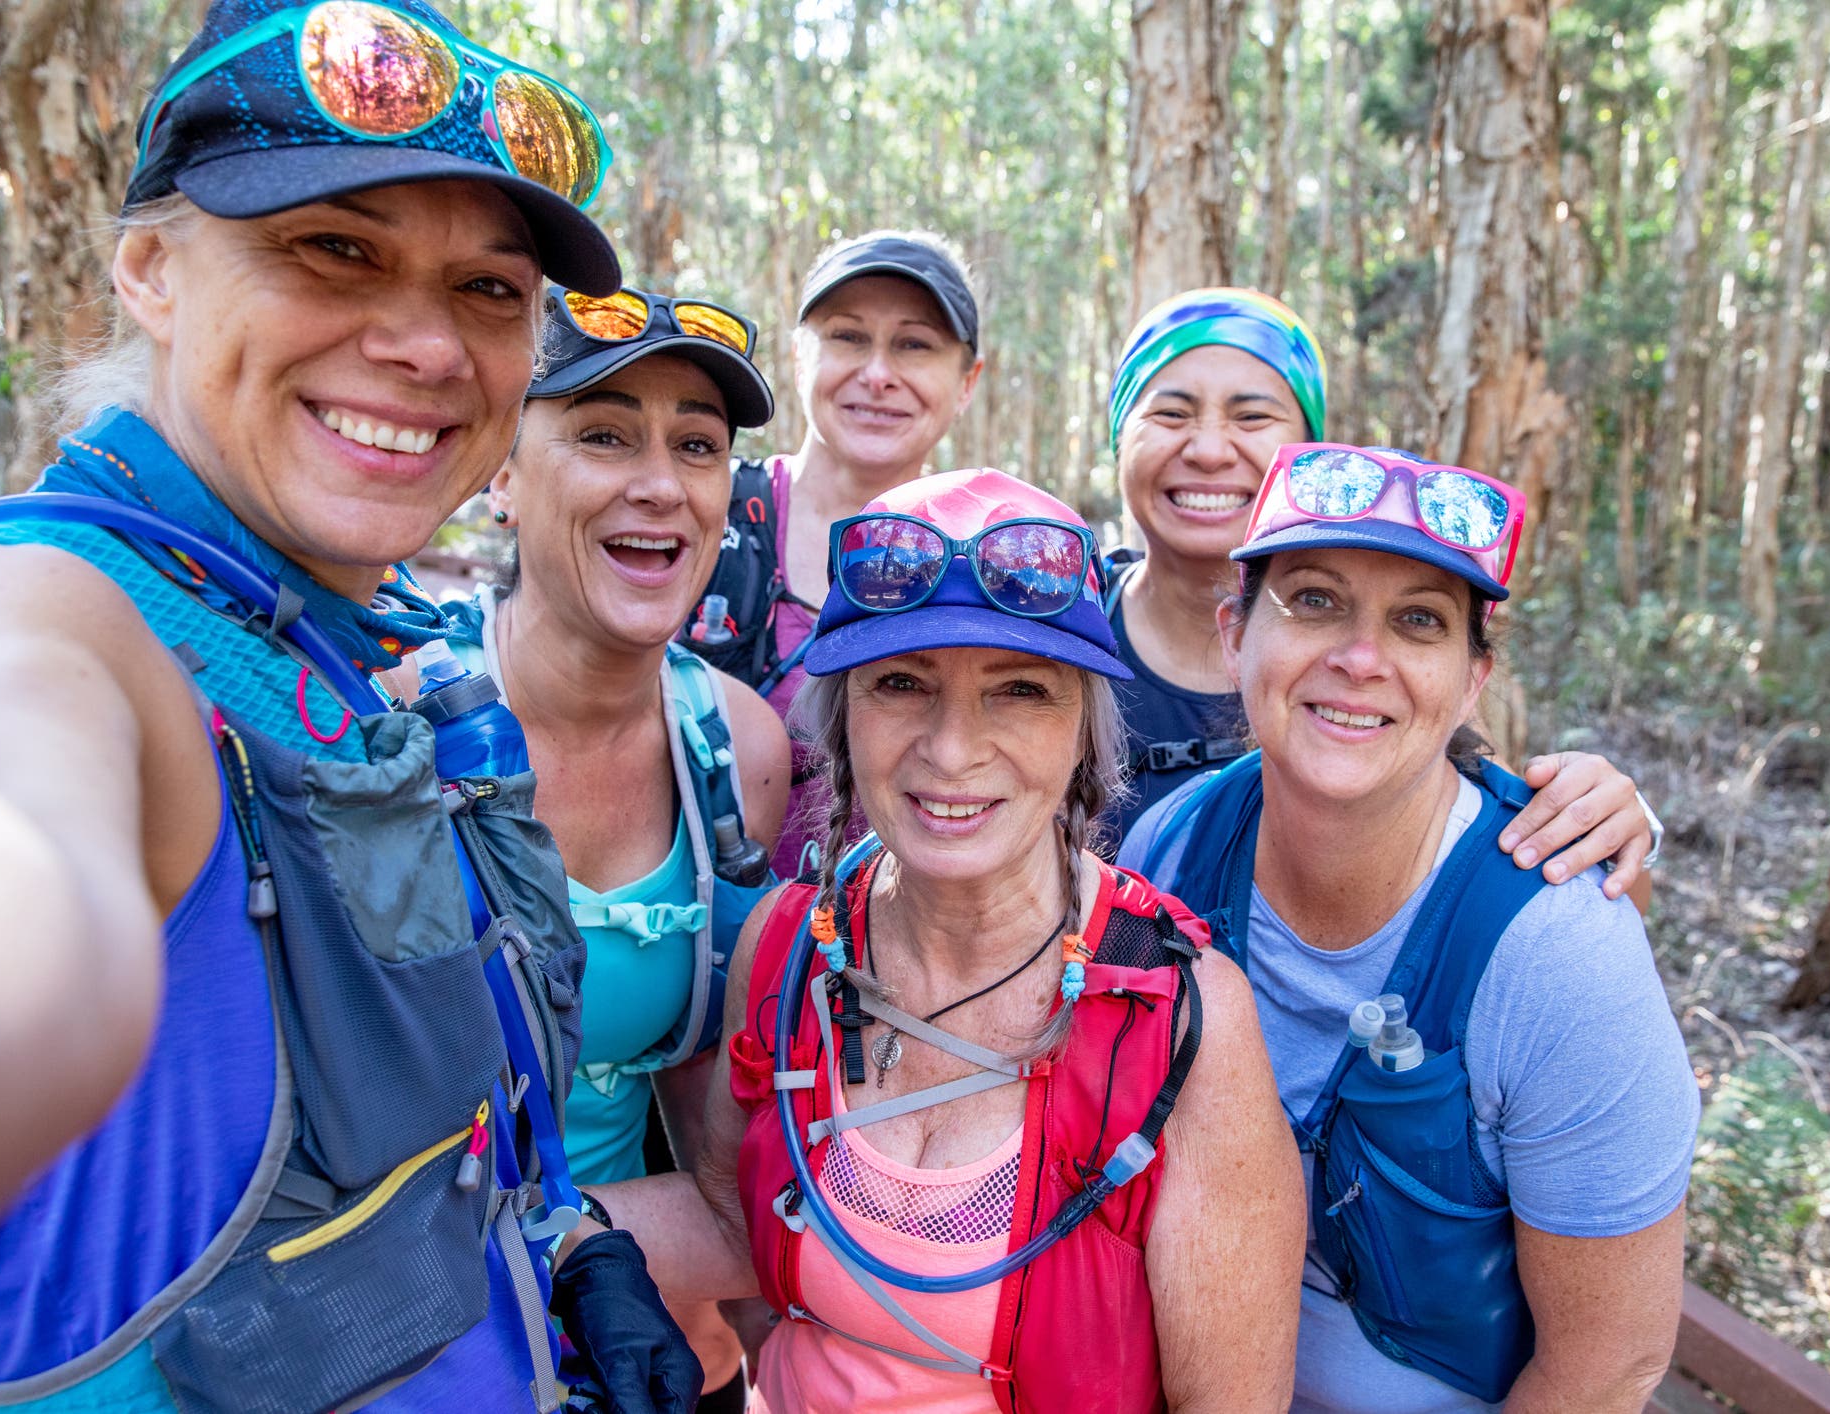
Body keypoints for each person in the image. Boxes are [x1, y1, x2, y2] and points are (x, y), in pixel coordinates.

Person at [0, 2, 697, 1409]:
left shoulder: (352, 634)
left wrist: (568, 1241)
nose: (424, 345)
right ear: (151, 268)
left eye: (487, 291)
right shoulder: (49, 614)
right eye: (333, 249)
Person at [585, 469, 1306, 1412]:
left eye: (1018, 690)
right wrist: (530, 1236)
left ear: (1084, 732)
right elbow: (732, 1219)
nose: (952, 749)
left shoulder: (1181, 1025)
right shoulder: (789, 951)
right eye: (899, 684)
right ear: (841, 720)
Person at [1118, 442, 1700, 1412]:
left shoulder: (1557, 957)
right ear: (1234, 633)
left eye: (1419, 620)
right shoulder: (1167, 849)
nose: (1360, 658)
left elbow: (1611, 1365)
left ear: (1473, 678)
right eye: (1313, 600)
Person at [444, 282, 793, 1407]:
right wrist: (562, 1253)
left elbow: (722, 1125)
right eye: (603, 433)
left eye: (696, 444)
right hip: (420, 1337)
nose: (659, 483)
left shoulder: (734, 750)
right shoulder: (391, 720)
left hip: (655, 1345)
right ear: (500, 471)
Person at [1102, 288, 1663, 898]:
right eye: (1170, 415)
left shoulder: (1411, 662)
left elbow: (1524, 853)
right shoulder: (1050, 625)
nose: (1209, 450)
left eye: (1252, 417)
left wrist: (1605, 824)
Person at [680, 230, 984, 878]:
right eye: (847, 337)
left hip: (896, 953)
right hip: (696, 940)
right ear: (797, 358)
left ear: (966, 382)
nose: (877, 375)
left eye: (914, 345)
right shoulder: (702, 511)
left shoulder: (991, 562)